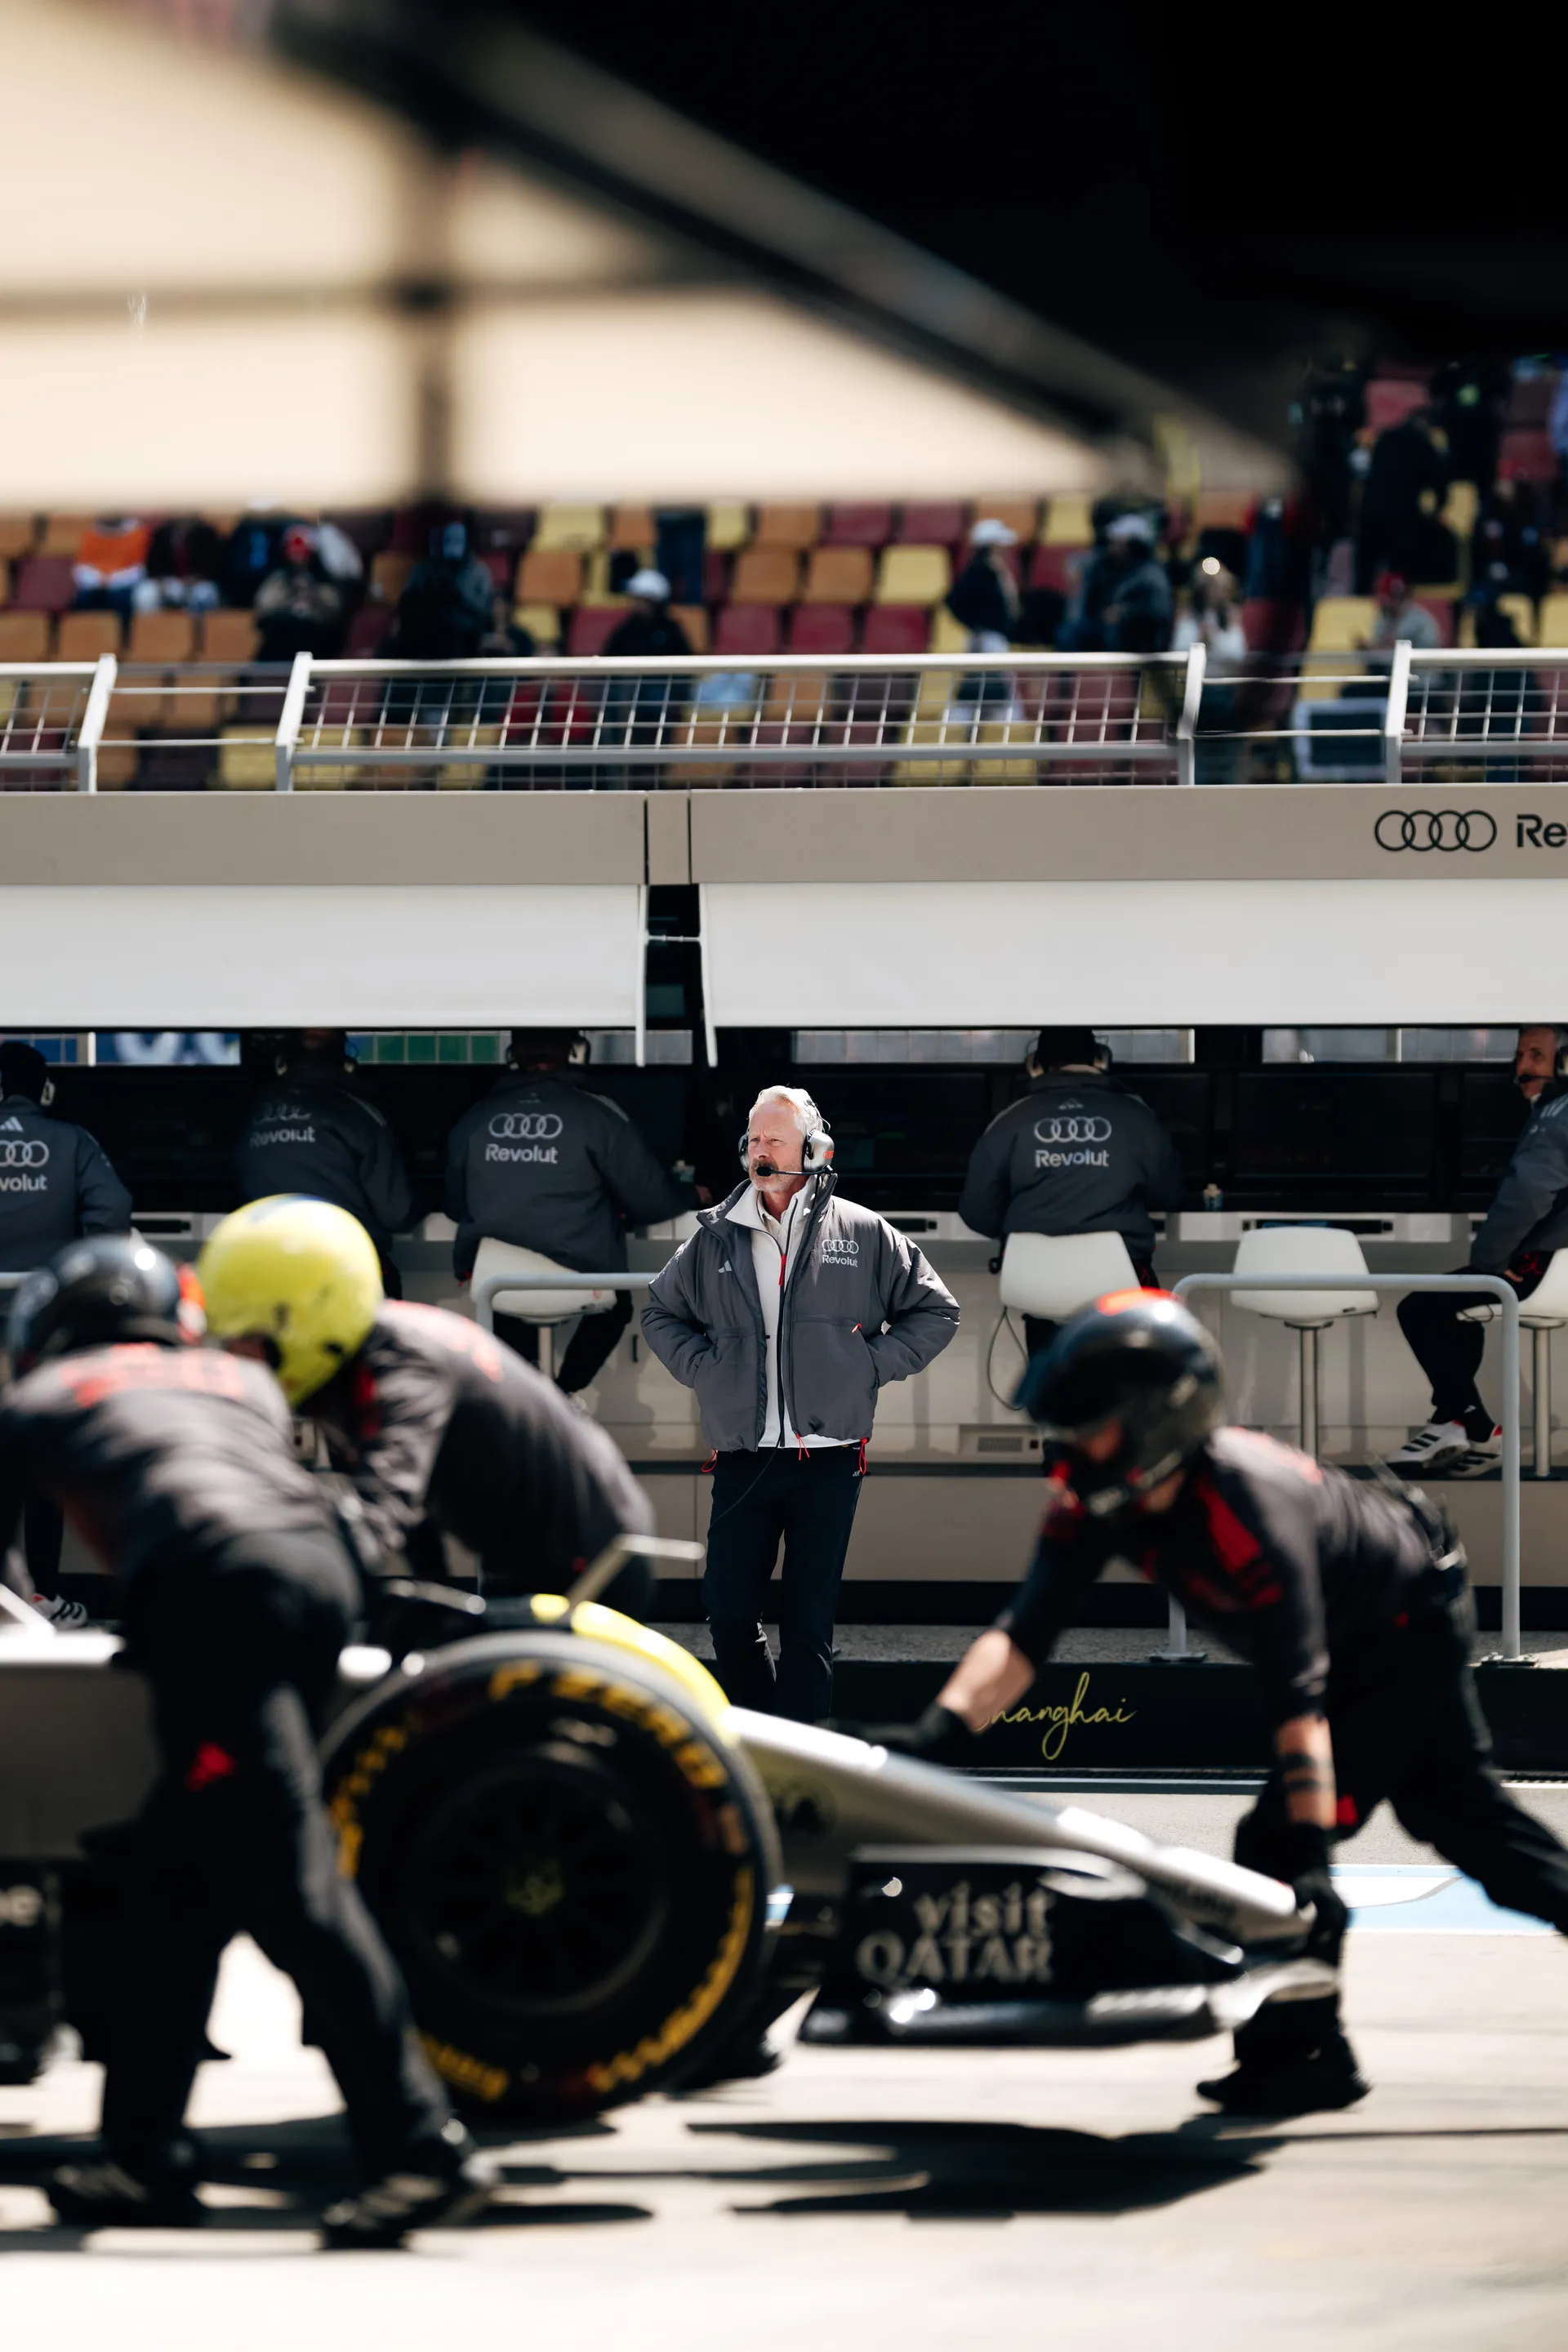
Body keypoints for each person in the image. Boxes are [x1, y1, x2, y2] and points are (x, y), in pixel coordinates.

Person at [875, 1290, 1568, 2116]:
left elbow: (1299, 1697)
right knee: (1468, 1822)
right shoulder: (1102, 1497)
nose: (1066, 1451)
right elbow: (1023, 1636)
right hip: (1373, 1613)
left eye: (1087, 1428)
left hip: (1399, 1633)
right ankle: (1306, 2052)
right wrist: (938, 1732)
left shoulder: (1249, 1513)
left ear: (1155, 1425)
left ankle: (1302, 2053)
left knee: (1283, 1844)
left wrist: (1307, 1849)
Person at [0, 1236, 490, 2243]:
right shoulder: (238, 1381)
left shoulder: (44, 1400)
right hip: (319, 1578)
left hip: (213, 1596)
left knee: (293, 1886)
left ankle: (418, 2150)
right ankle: (142, 2157)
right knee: (172, 1886)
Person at [642, 1085, 959, 1720]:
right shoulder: (715, 1235)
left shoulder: (862, 1231)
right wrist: (705, 1370)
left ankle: (802, 1753)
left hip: (829, 1458)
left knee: (809, 1627)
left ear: (813, 1150)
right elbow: (659, 1311)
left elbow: (935, 1310)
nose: (761, 1151)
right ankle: (763, 1737)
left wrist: (868, 1366)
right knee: (728, 1612)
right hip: (742, 1454)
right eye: (754, 1140)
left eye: (775, 1140)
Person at [198, 1195, 657, 1610]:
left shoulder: (404, 1364)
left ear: (306, 1315)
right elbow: (404, 1512)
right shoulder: (357, 1357)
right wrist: (430, 1592)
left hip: (595, 1560)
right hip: (532, 1552)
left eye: (251, 1341)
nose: (242, 1361)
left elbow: (382, 1505)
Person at [445, 1029, 702, 1399]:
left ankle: (528, 1393)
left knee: (506, 1307)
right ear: (572, 1051)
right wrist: (691, 1192)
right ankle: (563, 1394)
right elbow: (649, 1201)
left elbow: (454, 1203)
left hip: (495, 1283)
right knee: (617, 1306)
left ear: (514, 1053)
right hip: (581, 1276)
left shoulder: (475, 1116)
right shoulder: (598, 1114)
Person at [1388, 1025, 1568, 1476]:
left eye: (1536, 1055)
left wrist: (1489, 1261)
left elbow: (1528, 1195)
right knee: (1453, 1308)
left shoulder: (1555, 1113)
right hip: (1555, 1264)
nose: (1522, 1066)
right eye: (1519, 1055)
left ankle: (1473, 1425)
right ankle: (1456, 1422)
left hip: (1541, 1269)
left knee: (1419, 1309)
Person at [0, 1040, 131, 1610]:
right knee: (39, 1458)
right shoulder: (73, 1141)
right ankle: (40, 1595)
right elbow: (113, 1212)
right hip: (40, 1324)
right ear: (45, 1090)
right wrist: (71, 1266)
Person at [958, 1027, 1181, 1361]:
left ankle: (1047, 1387)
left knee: (1049, 1353)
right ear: (1100, 1060)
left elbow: (977, 1211)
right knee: (1128, 1364)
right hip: (1120, 1287)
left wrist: (1023, 1230)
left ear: (1036, 1065)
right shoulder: (1138, 1116)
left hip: (1036, 1282)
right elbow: (1169, 1195)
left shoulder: (1009, 1120)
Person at [234, 1031, 413, 1297]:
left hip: (268, 1266)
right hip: (346, 1267)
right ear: (345, 1057)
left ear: (284, 1059)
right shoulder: (359, 1113)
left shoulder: (251, 1114)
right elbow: (397, 1214)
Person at [1173, 562, 1248, 782]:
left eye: (1217, 585)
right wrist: (1199, 640)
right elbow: (1178, 652)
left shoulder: (1231, 617)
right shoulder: (1188, 617)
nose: (1212, 591)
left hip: (1225, 694)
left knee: (1227, 757)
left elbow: (1238, 655)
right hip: (1196, 695)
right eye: (1207, 585)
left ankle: (1228, 788)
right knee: (1198, 756)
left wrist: (1213, 639)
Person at [387, 519, 493, 662]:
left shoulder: (479, 572)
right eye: (448, 539)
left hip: (464, 631)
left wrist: (458, 599)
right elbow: (406, 602)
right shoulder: (422, 570)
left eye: (457, 540)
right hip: (425, 630)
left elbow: (483, 611)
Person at [252, 525, 345, 662]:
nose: (298, 555)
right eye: (293, 548)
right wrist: (289, 594)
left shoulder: (323, 579)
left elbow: (334, 606)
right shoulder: (278, 578)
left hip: (318, 639)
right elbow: (264, 605)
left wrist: (312, 593)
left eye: (302, 549)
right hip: (281, 639)